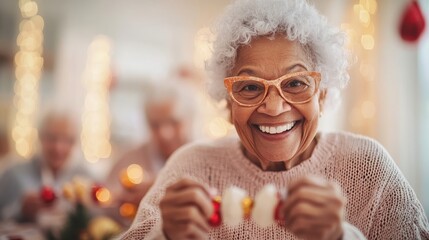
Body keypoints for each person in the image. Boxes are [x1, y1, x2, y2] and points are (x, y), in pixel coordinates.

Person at [119, 0, 429, 239]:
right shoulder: (190, 168)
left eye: (295, 83)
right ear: (228, 103)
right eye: (250, 87)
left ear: (321, 95)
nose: (273, 107)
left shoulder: (367, 166)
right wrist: (165, 235)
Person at [106, 80, 197, 223]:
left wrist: (156, 189)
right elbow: (105, 206)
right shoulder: (128, 160)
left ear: (189, 120)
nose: (164, 133)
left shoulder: (204, 158)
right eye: (155, 125)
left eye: (173, 122)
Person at [0, 110, 90, 224]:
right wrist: (21, 210)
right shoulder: (13, 174)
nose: (58, 148)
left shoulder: (85, 178)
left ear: (75, 143)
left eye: (67, 140)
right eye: (52, 138)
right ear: (40, 137)